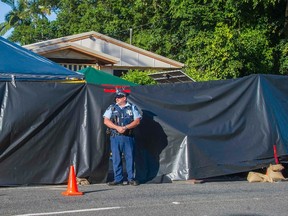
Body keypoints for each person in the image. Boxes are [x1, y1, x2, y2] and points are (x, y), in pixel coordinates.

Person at [103, 89, 142, 186]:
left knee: (130, 158)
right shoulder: (112, 108)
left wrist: (125, 127)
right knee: (116, 158)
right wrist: (117, 128)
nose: (117, 99)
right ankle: (118, 179)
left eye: (119, 97)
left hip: (128, 136)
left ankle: (131, 178)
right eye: (116, 97)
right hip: (115, 136)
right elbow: (106, 121)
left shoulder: (132, 107)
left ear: (124, 98)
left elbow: (137, 121)